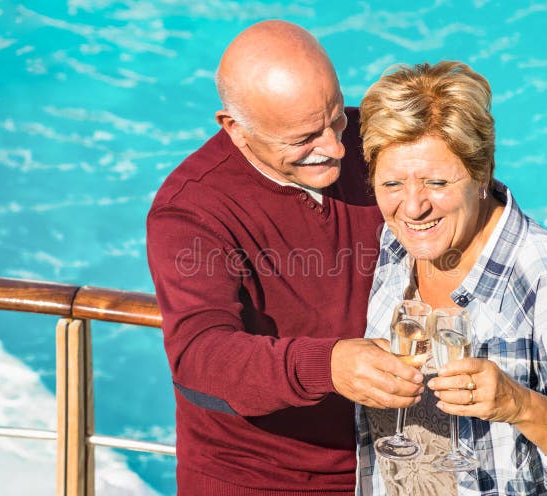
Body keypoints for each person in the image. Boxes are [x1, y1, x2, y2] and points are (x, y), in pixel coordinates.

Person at [146, 21, 425, 495]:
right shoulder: (189, 210)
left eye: (337, 119)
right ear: (234, 129)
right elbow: (199, 353)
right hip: (255, 477)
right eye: (304, 139)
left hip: (393, 459)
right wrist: (329, 365)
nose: (337, 148)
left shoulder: (366, 138)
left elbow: (466, 197)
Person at [356, 61, 547, 495]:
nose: (413, 207)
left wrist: (518, 404)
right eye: (393, 183)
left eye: (437, 182)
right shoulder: (394, 245)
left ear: (481, 173)